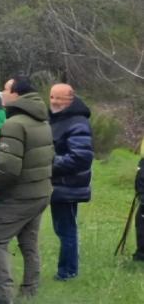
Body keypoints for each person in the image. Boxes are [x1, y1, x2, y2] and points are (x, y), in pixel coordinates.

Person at [0, 75, 55, 304]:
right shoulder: (41, 120)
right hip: (40, 192)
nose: (2, 92)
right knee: (28, 242)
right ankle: (30, 290)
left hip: (20, 195)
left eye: (5, 89)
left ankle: (4, 296)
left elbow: (7, 167)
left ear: (16, 94)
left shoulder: (14, 124)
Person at [47, 82, 93, 281]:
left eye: (60, 98)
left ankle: (68, 271)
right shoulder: (56, 118)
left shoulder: (78, 122)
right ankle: (67, 269)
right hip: (58, 183)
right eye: (51, 97)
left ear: (71, 99)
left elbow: (81, 157)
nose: (55, 102)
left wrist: (49, 163)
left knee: (66, 230)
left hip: (69, 184)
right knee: (63, 228)